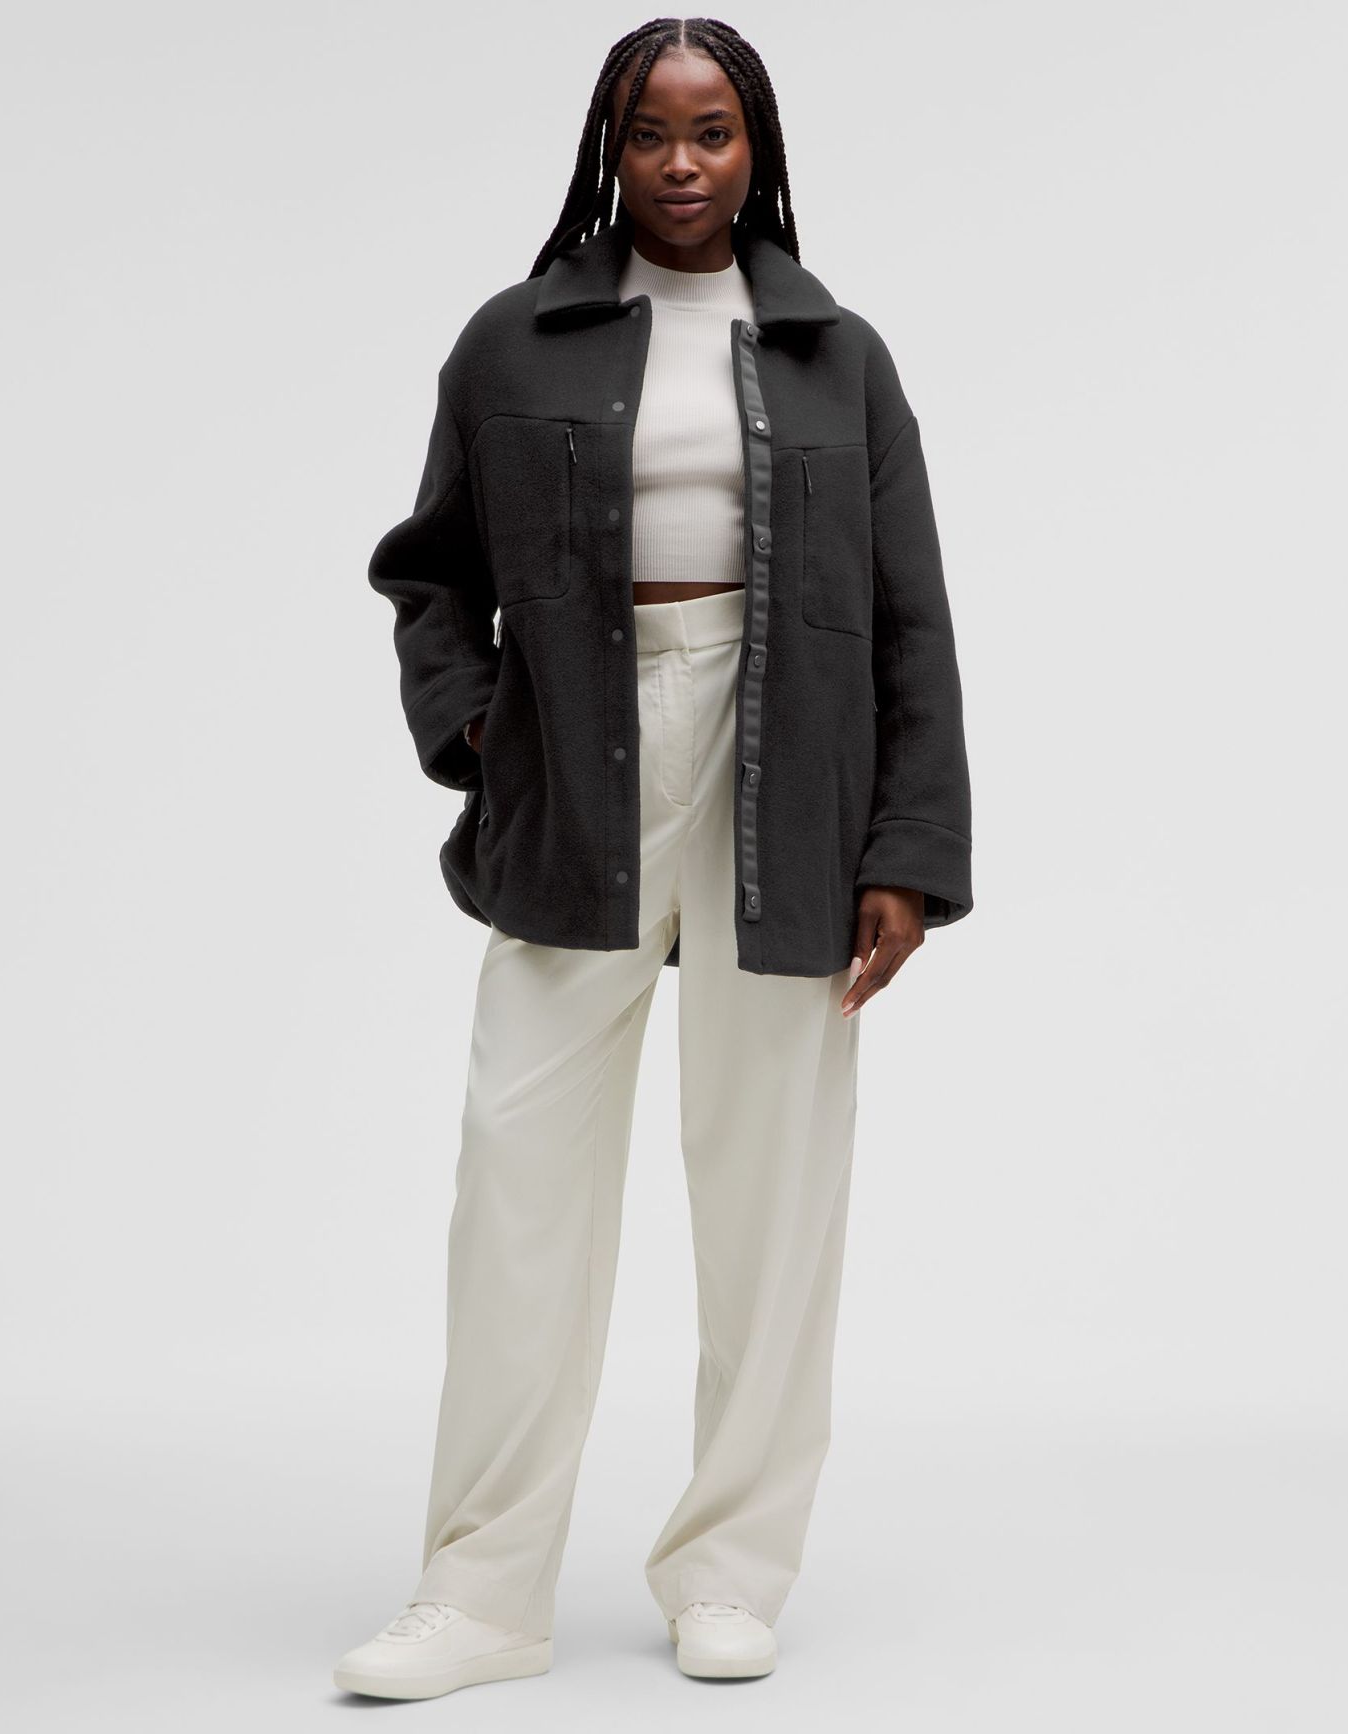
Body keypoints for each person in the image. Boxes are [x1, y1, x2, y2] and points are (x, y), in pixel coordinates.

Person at [334, 15, 973, 1702]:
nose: (679, 163)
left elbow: (909, 615)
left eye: (710, 131)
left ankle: (730, 1568)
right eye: (647, 133)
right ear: (604, 149)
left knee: (770, 1189)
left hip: (794, 769)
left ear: (757, 148)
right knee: (517, 1182)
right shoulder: (514, 340)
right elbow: (428, 572)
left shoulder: (837, 355)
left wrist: (908, 845)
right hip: (577, 764)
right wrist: (482, 734)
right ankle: (481, 1589)